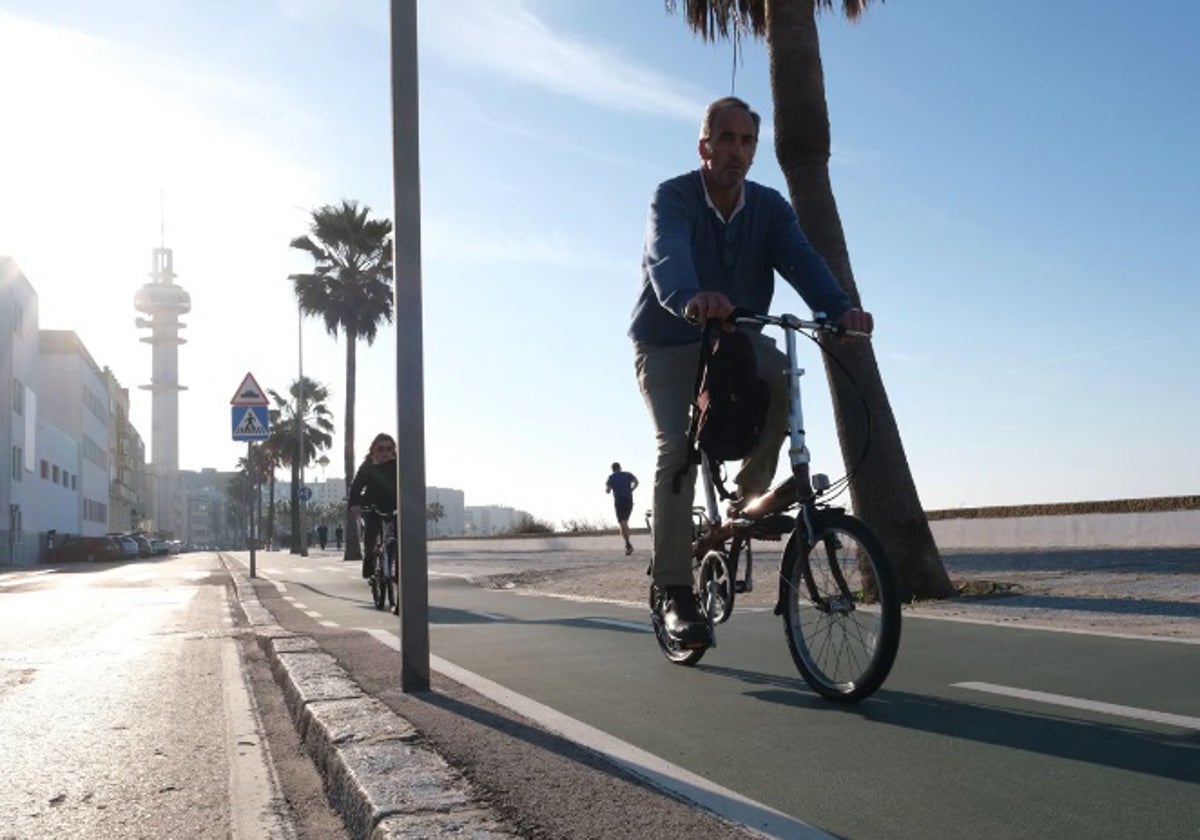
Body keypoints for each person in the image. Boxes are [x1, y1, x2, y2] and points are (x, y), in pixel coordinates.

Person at [629, 96, 874, 647]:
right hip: (669, 340)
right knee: (677, 450)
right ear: (705, 146)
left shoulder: (768, 207)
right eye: (727, 139)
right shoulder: (673, 196)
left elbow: (802, 259)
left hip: (735, 340)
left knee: (786, 376)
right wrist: (691, 296)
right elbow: (665, 254)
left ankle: (748, 496)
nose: (737, 151)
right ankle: (673, 589)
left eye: (747, 142)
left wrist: (839, 310)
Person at [348, 433, 399, 580]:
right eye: (381, 448)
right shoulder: (368, 466)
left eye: (389, 449)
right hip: (372, 504)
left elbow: (409, 485)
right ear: (373, 450)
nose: (385, 452)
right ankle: (369, 558)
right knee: (371, 531)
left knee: (400, 536)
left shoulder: (398, 464)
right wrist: (355, 504)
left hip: (395, 504)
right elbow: (356, 486)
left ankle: (400, 569)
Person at [605, 462, 639, 555]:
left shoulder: (611, 477)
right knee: (625, 522)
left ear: (612, 469)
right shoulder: (628, 474)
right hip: (629, 501)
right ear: (620, 468)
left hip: (619, 502)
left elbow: (607, 490)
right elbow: (636, 481)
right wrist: (632, 489)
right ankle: (627, 545)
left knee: (623, 523)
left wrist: (609, 489)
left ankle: (628, 545)